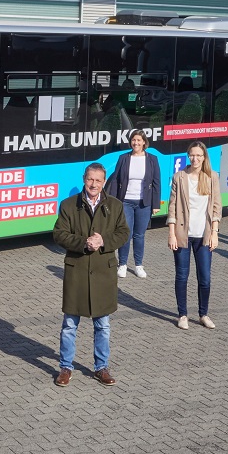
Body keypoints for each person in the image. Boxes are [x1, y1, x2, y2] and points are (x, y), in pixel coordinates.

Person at [52, 162, 129, 387]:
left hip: (103, 272)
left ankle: (101, 367)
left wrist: (103, 241)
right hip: (77, 271)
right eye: (90, 179)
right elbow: (59, 234)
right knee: (69, 324)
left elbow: (123, 232)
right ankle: (66, 367)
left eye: (98, 180)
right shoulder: (68, 205)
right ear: (83, 179)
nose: (93, 184)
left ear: (103, 182)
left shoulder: (115, 205)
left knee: (102, 325)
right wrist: (83, 243)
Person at [166, 141, 221, 330]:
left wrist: (215, 232)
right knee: (182, 276)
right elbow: (172, 206)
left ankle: (203, 314)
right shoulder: (179, 177)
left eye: (198, 155)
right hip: (183, 234)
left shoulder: (212, 177)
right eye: (192, 155)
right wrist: (171, 233)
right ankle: (182, 315)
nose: (195, 158)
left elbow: (216, 208)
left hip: (204, 235)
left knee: (205, 277)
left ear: (204, 157)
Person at [105, 130, 161, 279]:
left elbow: (156, 183)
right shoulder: (123, 158)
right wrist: (114, 202)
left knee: (139, 235)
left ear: (144, 142)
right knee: (126, 233)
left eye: (139, 140)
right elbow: (116, 180)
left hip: (144, 203)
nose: (136, 143)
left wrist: (156, 204)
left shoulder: (152, 159)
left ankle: (138, 265)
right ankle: (122, 264)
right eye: (133, 140)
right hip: (126, 202)